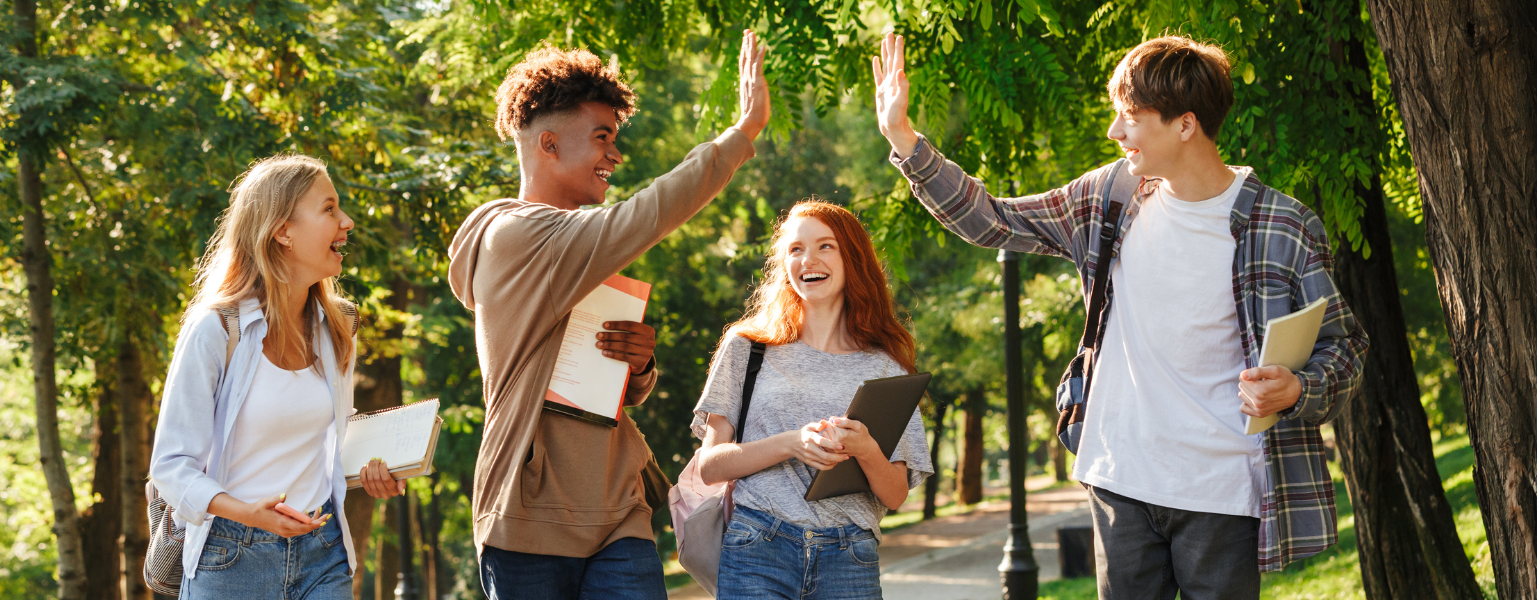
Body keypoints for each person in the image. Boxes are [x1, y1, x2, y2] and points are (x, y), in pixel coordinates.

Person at [871, 33, 1369, 598]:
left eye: (1130, 118)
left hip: (1222, 490)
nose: (1115, 132)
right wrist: (905, 141)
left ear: (1185, 124)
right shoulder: (1111, 195)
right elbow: (994, 222)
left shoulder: (1283, 226)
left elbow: (1345, 347)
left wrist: (1296, 388)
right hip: (1119, 480)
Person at [445, 31, 771, 600]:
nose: (615, 155)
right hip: (530, 518)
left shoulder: (579, 250)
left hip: (617, 513)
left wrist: (639, 364)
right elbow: (647, 213)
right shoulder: (516, 234)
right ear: (548, 144)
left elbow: (610, 388)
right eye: (602, 138)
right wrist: (741, 135)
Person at [150, 155, 406, 598]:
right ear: (282, 230)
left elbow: (323, 444)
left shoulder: (339, 326)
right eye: (328, 209)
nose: (345, 222)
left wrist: (378, 467)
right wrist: (249, 513)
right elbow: (171, 467)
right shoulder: (216, 329)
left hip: (323, 552)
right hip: (229, 560)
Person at [689, 200, 934, 600]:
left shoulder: (886, 367)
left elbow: (896, 495)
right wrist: (792, 444)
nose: (808, 259)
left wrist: (866, 449)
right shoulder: (748, 348)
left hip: (850, 557)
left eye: (825, 246)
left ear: (852, 258)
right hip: (757, 547)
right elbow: (710, 467)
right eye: (795, 249)